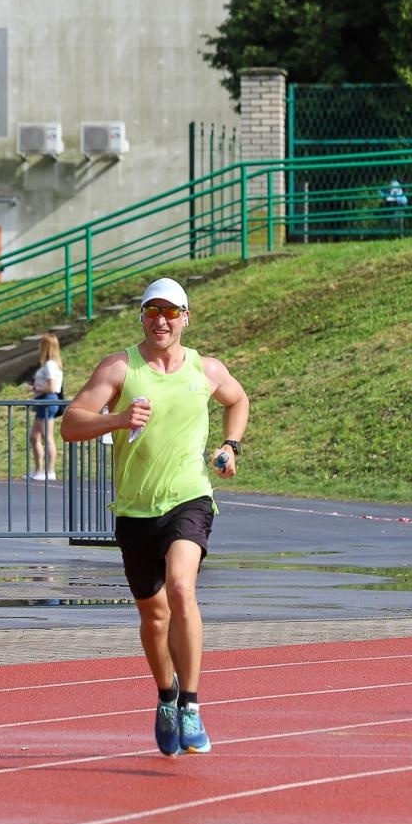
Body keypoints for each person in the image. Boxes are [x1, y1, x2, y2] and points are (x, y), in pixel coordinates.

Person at [60, 277, 249, 756]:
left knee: (182, 588)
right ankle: (166, 695)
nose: (160, 320)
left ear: (186, 317)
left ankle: (191, 703)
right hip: (136, 508)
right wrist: (118, 420)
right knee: (154, 612)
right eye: (151, 312)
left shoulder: (206, 368)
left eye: (170, 312)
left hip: (189, 498)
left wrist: (230, 446)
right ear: (142, 317)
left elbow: (238, 400)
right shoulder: (121, 367)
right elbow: (70, 423)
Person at [27, 333, 65, 481]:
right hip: (45, 401)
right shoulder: (52, 364)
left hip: (47, 400)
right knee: (35, 436)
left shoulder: (50, 365)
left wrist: (35, 387)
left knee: (47, 437)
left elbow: (52, 386)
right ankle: (39, 470)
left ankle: (49, 471)